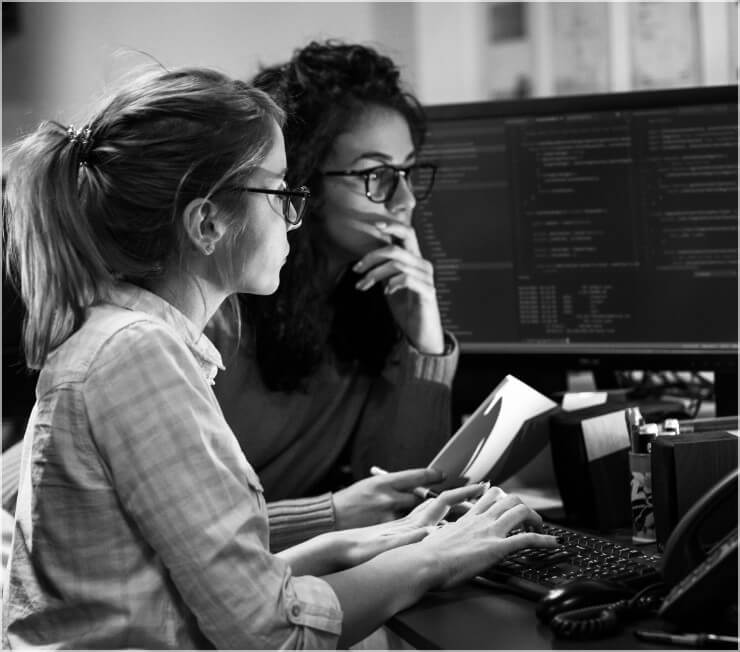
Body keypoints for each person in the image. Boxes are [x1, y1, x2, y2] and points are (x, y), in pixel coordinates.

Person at [2, 63, 558, 649]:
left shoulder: (129, 339)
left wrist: (362, 541)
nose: (295, 214)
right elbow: (273, 635)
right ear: (208, 222)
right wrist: (434, 562)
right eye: (282, 192)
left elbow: (193, 567)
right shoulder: (141, 356)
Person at [209, 41, 459, 547]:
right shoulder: (218, 310)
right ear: (299, 182)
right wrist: (331, 514)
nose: (405, 200)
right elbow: (179, 536)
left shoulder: (366, 304)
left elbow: (401, 497)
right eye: (375, 175)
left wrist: (424, 345)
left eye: (407, 172)